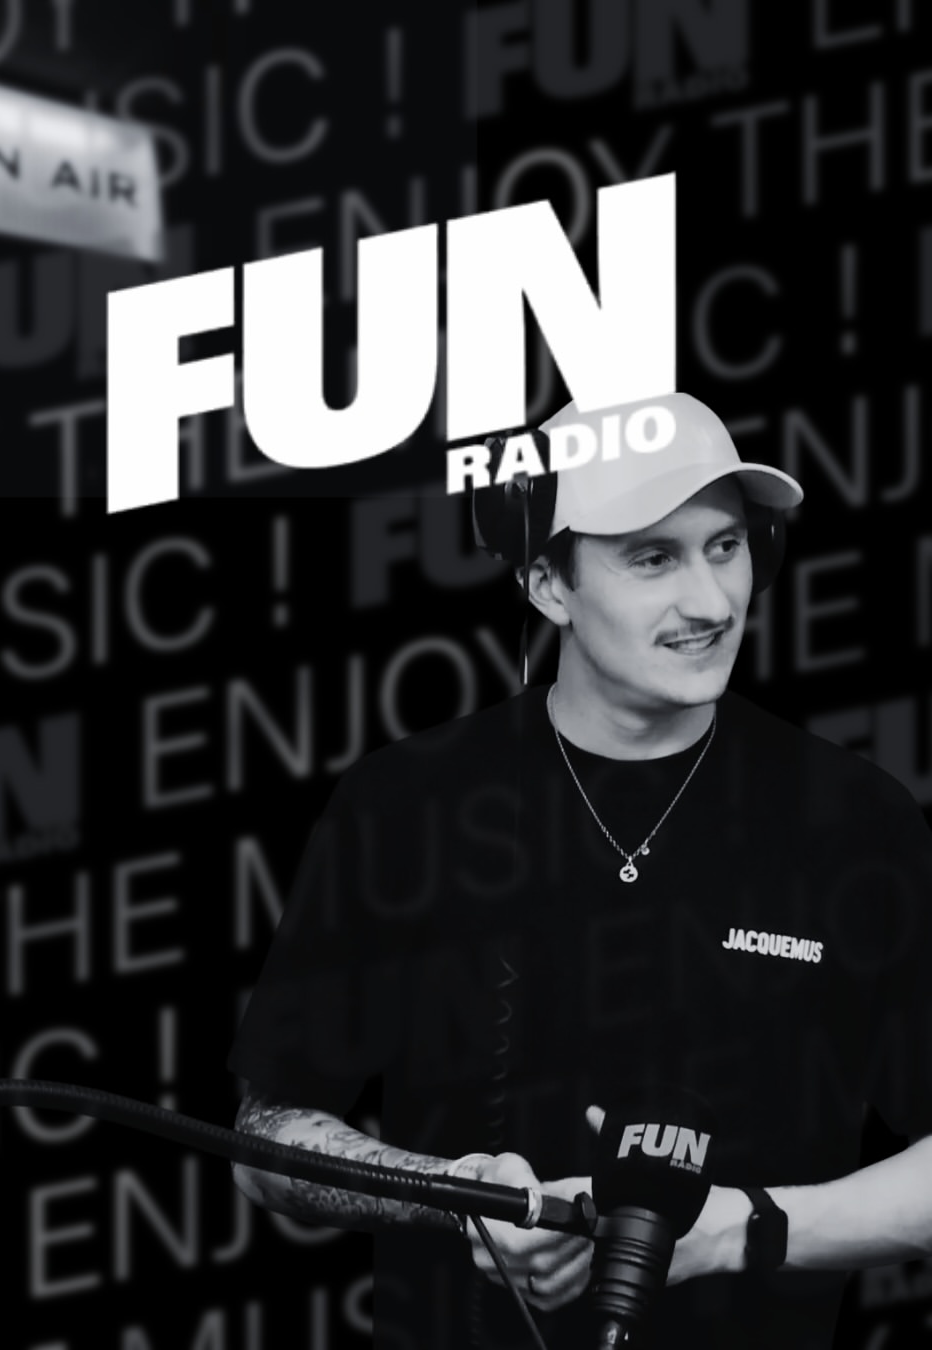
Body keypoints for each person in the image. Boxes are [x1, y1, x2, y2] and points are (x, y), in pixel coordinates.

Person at [227, 392, 932, 1350]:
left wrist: (744, 1230)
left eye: (727, 547)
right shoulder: (402, 807)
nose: (712, 602)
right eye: (653, 558)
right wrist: (457, 1197)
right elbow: (265, 1144)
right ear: (548, 584)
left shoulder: (857, 821)